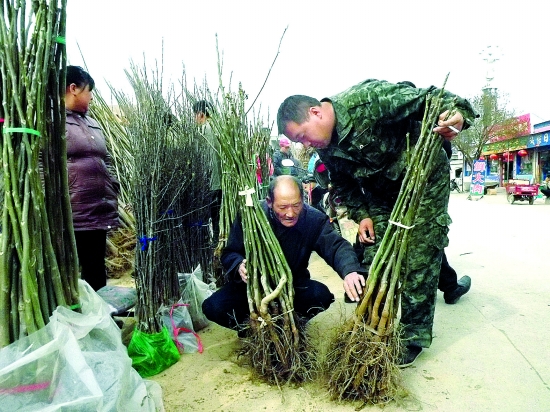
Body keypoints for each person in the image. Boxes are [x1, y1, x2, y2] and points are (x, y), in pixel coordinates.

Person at [277, 79, 476, 367]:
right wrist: (363, 215)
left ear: (315, 113)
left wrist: (456, 115)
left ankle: (413, 337)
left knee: (419, 255)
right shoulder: (326, 146)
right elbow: (342, 182)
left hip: (423, 178)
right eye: (299, 143)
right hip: (379, 194)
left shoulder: (367, 100)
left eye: (303, 136)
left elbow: (431, 99)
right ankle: (373, 326)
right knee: (374, 253)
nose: (305, 145)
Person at [202, 175, 366, 334]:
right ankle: (254, 330)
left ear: (304, 200)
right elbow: (229, 252)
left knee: (320, 295)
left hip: (292, 285)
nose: (290, 213)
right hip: (252, 288)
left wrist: (350, 270)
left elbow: (336, 246)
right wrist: (239, 265)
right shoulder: (251, 217)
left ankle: (292, 324)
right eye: (282, 207)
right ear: (269, 202)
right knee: (214, 307)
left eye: (296, 205)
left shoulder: (313, 219)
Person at [65, 66, 120, 291]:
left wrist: (112, 184)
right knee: (71, 271)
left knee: (96, 268)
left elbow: (104, 158)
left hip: (98, 209)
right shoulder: (52, 122)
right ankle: (79, 319)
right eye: (89, 91)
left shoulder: (90, 123)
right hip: (73, 212)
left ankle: (101, 319)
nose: (91, 97)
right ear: (73, 88)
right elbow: (41, 166)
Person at [193, 100, 222, 247]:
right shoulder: (219, 128)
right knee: (216, 216)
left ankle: (210, 243)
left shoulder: (203, 131)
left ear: (201, 114)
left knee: (208, 215)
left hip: (209, 182)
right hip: (219, 181)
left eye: (195, 115)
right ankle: (216, 239)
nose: (194, 119)